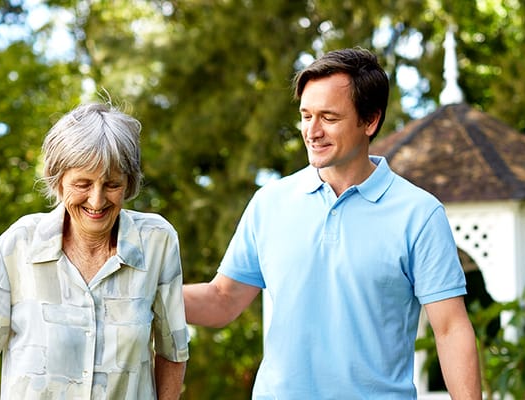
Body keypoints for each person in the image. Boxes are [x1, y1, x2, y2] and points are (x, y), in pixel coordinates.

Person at [184, 47, 481, 399]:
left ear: (370, 121)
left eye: (329, 117)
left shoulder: (419, 214)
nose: (312, 131)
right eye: (306, 115)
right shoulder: (270, 203)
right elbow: (223, 300)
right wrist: (146, 293)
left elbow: (450, 329)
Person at [0, 102, 189, 399]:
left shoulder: (156, 242)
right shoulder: (19, 244)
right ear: (58, 181)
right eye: (83, 184)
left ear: (128, 184)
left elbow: (172, 352)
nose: (97, 200)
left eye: (112, 184)